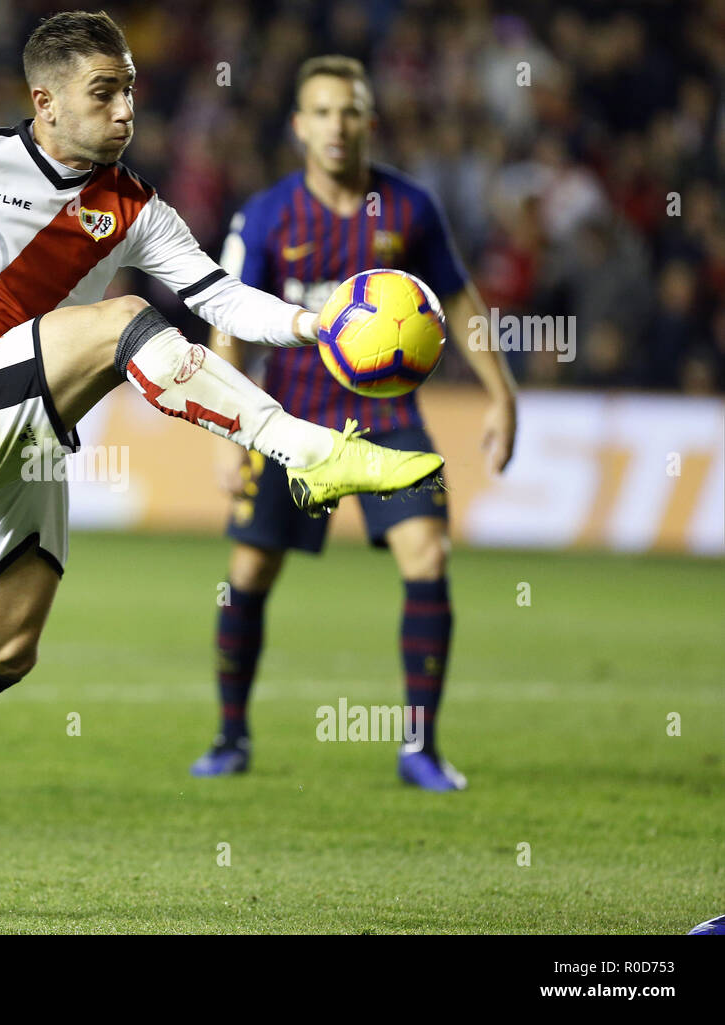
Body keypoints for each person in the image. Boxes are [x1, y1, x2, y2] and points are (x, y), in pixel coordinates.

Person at [0, 12, 444, 901]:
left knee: (4, 650)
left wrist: (318, 323)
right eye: (104, 92)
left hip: (30, 442)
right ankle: (305, 450)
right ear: (45, 102)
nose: (125, 110)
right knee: (123, 321)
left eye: (129, 90)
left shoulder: (134, 208)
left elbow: (220, 297)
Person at [190, 56, 517, 790]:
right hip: (287, 422)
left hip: (389, 417)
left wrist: (502, 390)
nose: (338, 125)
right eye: (323, 112)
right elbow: (230, 326)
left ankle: (419, 749)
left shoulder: (410, 209)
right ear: (299, 126)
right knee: (249, 571)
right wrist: (225, 428)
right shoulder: (266, 215)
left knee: (428, 558)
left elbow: (458, 303)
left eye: (351, 111)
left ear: (369, 121)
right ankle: (231, 735)